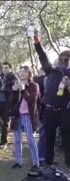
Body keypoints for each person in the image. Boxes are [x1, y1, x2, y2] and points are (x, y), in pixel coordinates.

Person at [33, 30, 70, 167]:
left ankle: (68, 164)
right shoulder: (52, 70)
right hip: (49, 110)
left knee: (67, 138)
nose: (64, 60)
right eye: (62, 58)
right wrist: (37, 41)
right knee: (48, 138)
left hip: (65, 112)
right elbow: (42, 57)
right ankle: (46, 163)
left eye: (67, 59)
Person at [9, 66, 41, 170]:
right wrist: (14, 91)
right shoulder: (17, 84)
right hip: (17, 116)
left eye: (24, 72)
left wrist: (23, 90)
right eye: (21, 71)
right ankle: (18, 162)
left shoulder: (34, 85)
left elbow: (32, 100)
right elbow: (12, 103)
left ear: (29, 74)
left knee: (31, 140)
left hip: (28, 115)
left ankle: (36, 163)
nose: (22, 73)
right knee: (17, 140)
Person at [0, 62, 17, 149]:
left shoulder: (14, 78)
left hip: (7, 104)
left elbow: (14, 91)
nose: (4, 69)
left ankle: (3, 142)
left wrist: (4, 89)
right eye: (3, 68)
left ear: (10, 68)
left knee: (5, 124)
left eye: (6, 68)